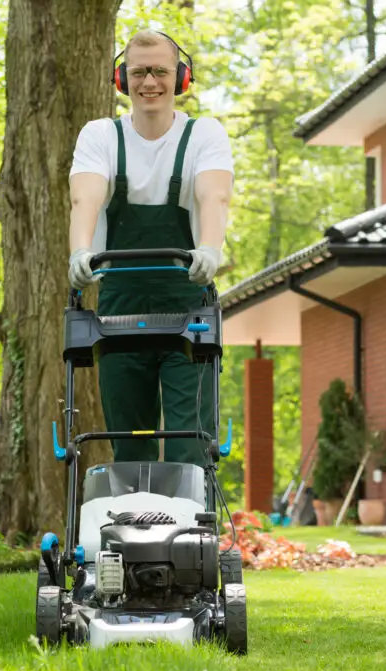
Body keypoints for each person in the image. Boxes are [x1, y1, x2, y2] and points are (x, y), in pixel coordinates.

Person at [67, 29, 234, 465]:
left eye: (160, 71)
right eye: (139, 72)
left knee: (189, 443)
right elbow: (84, 197)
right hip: (118, 314)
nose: (149, 83)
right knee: (130, 443)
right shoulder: (101, 136)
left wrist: (210, 250)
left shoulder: (204, 135)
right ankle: (131, 529)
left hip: (189, 314)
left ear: (181, 77)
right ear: (123, 79)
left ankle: (192, 530)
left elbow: (212, 196)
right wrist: (80, 252)